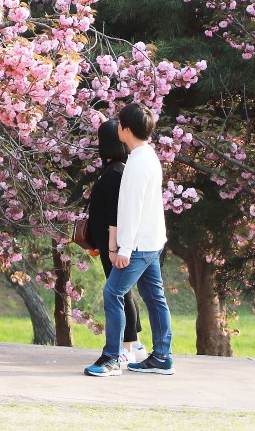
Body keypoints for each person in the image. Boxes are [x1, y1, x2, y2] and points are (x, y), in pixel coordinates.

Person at [84, 102, 174, 377]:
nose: (117, 126)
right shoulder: (147, 155)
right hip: (151, 241)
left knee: (113, 293)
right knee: (154, 298)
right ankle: (161, 356)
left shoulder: (136, 163)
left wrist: (122, 248)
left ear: (126, 129)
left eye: (119, 122)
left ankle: (113, 357)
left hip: (138, 245)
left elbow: (131, 209)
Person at [85, 119, 145, 367]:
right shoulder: (118, 170)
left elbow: (114, 216)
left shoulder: (114, 174)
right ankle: (135, 344)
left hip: (115, 246)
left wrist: (112, 248)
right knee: (124, 292)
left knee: (119, 293)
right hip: (113, 244)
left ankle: (127, 347)